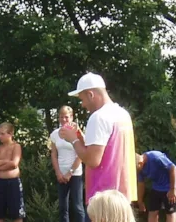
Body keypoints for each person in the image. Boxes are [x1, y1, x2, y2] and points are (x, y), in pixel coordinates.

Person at [57, 72, 137, 205]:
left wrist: (73, 140)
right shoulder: (123, 114)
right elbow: (107, 151)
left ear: (90, 94)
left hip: (103, 197)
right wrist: (80, 138)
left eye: (82, 99)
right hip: (122, 197)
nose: (83, 105)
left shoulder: (98, 117)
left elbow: (92, 160)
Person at [49, 107, 88, 222]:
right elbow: (54, 154)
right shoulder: (55, 134)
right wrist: (58, 173)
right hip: (61, 174)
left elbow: (81, 154)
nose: (64, 119)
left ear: (72, 117)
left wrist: (70, 172)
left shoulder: (77, 133)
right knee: (62, 207)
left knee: (77, 206)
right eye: (61, 117)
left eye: (66, 117)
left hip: (75, 173)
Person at [135, 150, 176, 222]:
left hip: (171, 185)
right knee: (153, 211)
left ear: (140, 163)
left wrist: (172, 189)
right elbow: (141, 184)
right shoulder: (139, 167)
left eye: (137, 168)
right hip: (157, 186)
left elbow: (172, 168)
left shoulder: (156, 157)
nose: (136, 171)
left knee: (170, 212)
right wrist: (140, 201)